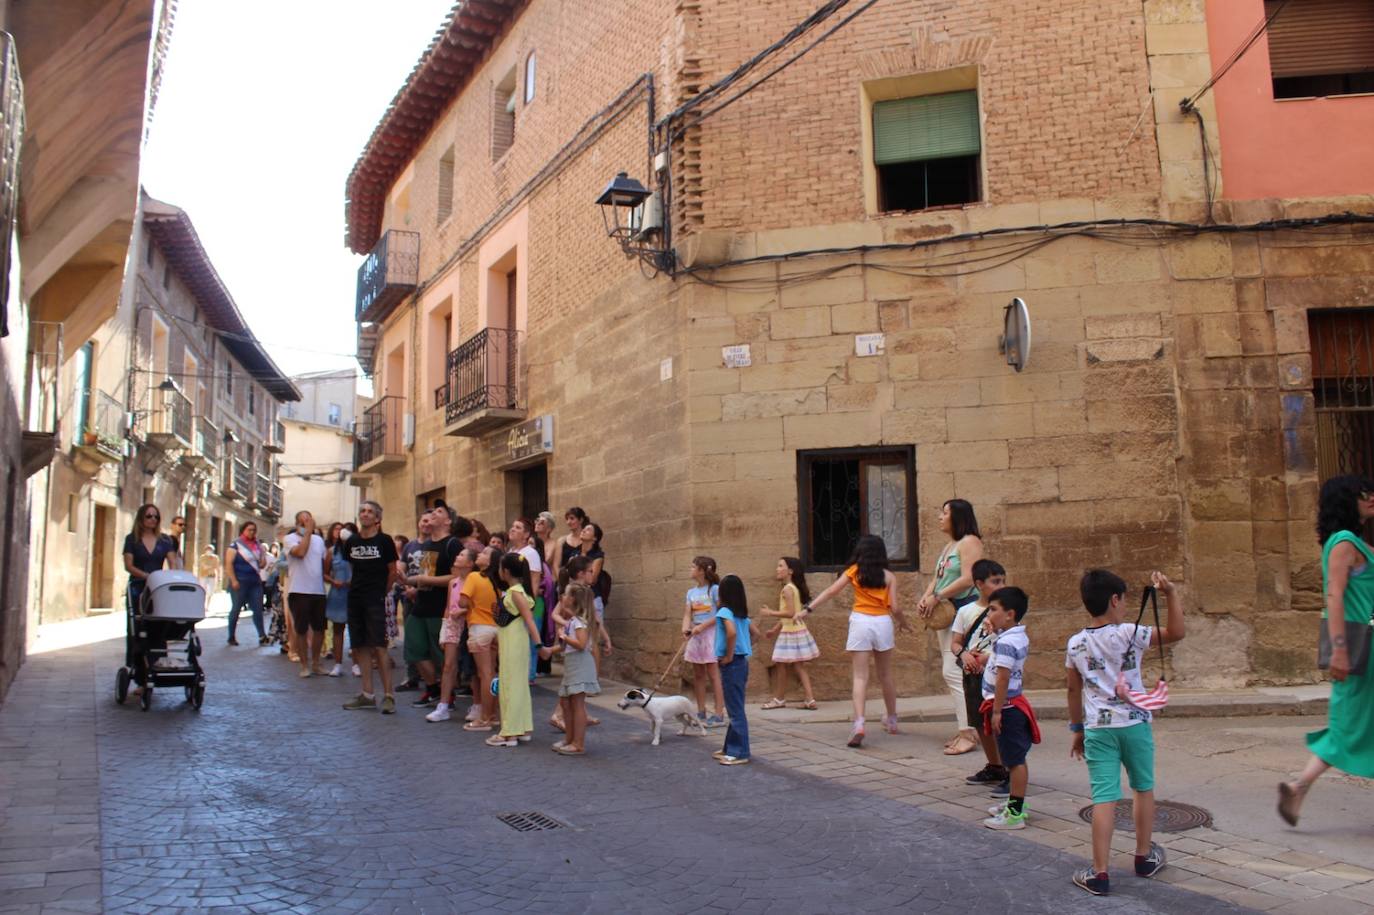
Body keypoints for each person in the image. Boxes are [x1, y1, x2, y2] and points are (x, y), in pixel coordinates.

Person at [1068, 569, 1183, 894]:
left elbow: (1072, 690)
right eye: (1123, 600)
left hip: (1099, 729)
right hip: (1135, 724)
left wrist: (1077, 729)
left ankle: (1100, 873)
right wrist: (1170, 593)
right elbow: (1177, 631)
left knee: (1104, 797)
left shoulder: (1075, 643)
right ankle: (1144, 857)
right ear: (1114, 599)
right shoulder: (1131, 633)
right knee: (1142, 787)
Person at [1278, 476, 1374, 829]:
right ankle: (1298, 786)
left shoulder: (1351, 542)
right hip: (1360, 644)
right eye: (1363, 493)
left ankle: (1297, 788)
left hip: (1362, 644)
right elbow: (1334, 597)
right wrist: (1338, 651)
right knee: (1350, 722)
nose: (1371, 497)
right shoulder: (1345, 543)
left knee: (1353, 721)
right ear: (1347, 501)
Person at [804, 535, 910, 748]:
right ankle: (892, 720)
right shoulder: (889, 576)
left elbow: (831, 591)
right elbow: (896, 608)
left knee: (860, 676)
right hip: (882, 622)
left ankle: (859, 723)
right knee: (886, 675)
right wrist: (903, 622)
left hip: (860, 621)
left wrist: (808, 609)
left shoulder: (854, 571)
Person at [916, 499, 985, 756]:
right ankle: (967, 727)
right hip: (948, 614)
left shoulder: (970, 542)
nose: (940, 517)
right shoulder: (949, 546)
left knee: (954, 671)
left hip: (963, 612)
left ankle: (968, 732)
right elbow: (938, 576)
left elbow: (969, 578)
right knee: (954, 671)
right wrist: (926, 596)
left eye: (945, 513)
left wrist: (937, 597)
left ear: (958, 516)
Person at [979, 586, 1038, 831]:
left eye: (993, 609)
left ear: (1009, 614)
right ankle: (1016, 804)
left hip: (1007, 708)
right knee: (1014, 759)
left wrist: (997, 711)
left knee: (1014, 761)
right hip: (1011, 705)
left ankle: (1015, 814)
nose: (989, 613)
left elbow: (1002, 677)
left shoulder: (1006, 643)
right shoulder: (1014, 637)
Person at [953, 559, 1009, 793]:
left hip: (996, 675)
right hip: (973, 676)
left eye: (1003, 581)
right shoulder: (966, 612)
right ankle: (995, 766)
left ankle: (1010, 769)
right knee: (980, 722)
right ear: (978, 584)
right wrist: (965, 655)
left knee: (1001, 723)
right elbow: (955, 643)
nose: (1001, 585)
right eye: (995, 581)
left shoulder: (1007, 610)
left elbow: (1010, 641)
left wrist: (986, 658)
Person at [341, 501, 399, 714]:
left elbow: (392, 570)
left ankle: (389, 696)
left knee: (379, 647)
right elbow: (352, 568)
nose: (364, 514)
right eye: (362, 511)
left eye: (369, 512)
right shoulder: (352, 541)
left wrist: (382, 592)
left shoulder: (384, 541)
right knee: (360, 646)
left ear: (377, 519)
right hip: (355, 598)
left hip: (375, 599)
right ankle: (367, 694)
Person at [405, 507, 462, 707]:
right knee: (414, 648)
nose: (434, 514)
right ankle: (433, 688)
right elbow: (426, 575)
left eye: (440, 511)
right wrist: (414, 584)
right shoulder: (428, 544)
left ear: (448, 522)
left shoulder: (452, 544)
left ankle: (448, 694)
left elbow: (457, 577)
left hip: (442, 607)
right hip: (421, 604)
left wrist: (424, 579)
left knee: (441, 655)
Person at [541, 581, 601, 755]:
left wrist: (563, 637)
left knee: (577, 704)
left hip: (580, 664)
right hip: (573, 664)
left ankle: (578, 743)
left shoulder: (578, 622)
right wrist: (551, 649)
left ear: (573, 599)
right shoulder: (573, 621)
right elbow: (569, 646)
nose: (563, 597)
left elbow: (581, 644)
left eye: (566, 595)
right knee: (567, 702)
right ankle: (569, 738)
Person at [487, 553, 541, 748]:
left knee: (509, 686)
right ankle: (523, 728)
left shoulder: (514, 592)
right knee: (519, 685)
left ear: (506, 571)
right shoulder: (521, 591)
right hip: (516, 641)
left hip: (512, 643)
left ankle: (509, 732)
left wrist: (539, 645)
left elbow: (529, 620)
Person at [426, 547, 478, 723]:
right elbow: (448, 607)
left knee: (472, 667)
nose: (458, 556)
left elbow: (477, 605)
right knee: (448, 666)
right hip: (453, 625)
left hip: (469, 624)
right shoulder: (453, 583)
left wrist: (461, 611)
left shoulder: (475, 580)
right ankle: (443, 705)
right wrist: (444, 629)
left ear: (470, 563)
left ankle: (478, 704)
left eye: (462, 555)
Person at [760, 557, 819, 710]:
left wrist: (770, 612)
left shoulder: (787, 589)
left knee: (781, 665)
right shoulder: (793, 588)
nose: (777, 569)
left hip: (790, 633)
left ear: (790, 571)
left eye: (780, 566)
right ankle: (810, 699)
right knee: (799, 666)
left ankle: (779, 699)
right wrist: (774, 629)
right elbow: (793, 614)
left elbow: (790, 612)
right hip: (796, 630)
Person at [712, 575, 759, 766]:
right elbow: (756, 634)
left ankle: (740, 752)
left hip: (731, 663)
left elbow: (730, 633)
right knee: (734, 705)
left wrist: (730, 655)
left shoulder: (724, 611)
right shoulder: (742, 614)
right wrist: (745, 646)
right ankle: (729, 747)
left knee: (735, 709)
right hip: (742, 662)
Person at [461, 546, 503, 731]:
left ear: (490, 561)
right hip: (496, 629)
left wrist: (471, 605)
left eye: (485, 553)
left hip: (479, 629)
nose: (480, 554)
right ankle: (493, 715)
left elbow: (462, 601)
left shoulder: (474, 577)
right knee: (492, 675)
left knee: (484, 674)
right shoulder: (498, 583)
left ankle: (485, 718)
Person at [682, 557, 727, 727]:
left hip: (710, 634)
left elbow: (721, 612)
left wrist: (704, 626)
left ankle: (719, 713)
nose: (690, 569)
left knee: (714, 674)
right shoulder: (691, 592)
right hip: (696, 635)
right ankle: (701, 711)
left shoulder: (715, 589)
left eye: (693, 567)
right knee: (698, 675)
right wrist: (685, 628)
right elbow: (687, 614)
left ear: (702, 570)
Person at [284, 511, 328, 677]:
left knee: (320, 629)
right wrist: (308, 532)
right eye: (303, 523)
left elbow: (323, 563)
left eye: (308, 521)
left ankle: (316, 663)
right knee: (301, 629)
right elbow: (301, 553)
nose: (306, 525)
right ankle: (304, 665)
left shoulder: (319, 541)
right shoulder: (290, 539)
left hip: (318, 591)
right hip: (298, 590)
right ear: (297, 524)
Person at [508, 518, 546, 682]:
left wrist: (528, 604)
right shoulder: (510, 552)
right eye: (512, 526)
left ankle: (527, 676)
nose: (512, 529)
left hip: (525, 603)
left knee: (528, 641)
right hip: (510, 603)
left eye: (517, 527)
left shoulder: (530, 553)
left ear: (526, 534)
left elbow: (535, 580)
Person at [225, 521, 269, 646]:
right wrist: (233, 580)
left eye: (254, 530)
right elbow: (228, 564)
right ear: (243, 530)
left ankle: (262, 635)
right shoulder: (235, 545)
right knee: (236, 609)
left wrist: (262, 556)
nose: (252, 532)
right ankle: (231, 636)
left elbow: (262, 564)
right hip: (240, 581)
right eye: (249, 529)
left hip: (255, 582)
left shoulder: (257, 545)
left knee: (258, 609)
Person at [323, 522, 355, 677]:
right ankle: (338, 664)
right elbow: (325, 572)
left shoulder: (357, 551)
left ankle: (356, 663)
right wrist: (333, 580)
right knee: (337, 629)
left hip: (354, 593)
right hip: (337, 593)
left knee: (355, 629)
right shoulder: (331, 551)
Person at [559, 506, 588, 573]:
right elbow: (556, 565)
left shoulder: (587, 539)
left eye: (572, 518)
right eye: (567, 519)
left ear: (581, 520)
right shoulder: (561, 541)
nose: (568, 522)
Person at [195, 544, 219, 612]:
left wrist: (218, 576)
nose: (209, 551)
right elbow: (203, 566)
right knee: (203, 591)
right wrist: (210, 567)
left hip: (212, 576)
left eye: (210, 550)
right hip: (203, 576)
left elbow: (216, 567)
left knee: (210, 592)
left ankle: (207, 606)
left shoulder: (215, 558)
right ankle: (202, 605)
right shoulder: (202, 557)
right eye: (207, 549)